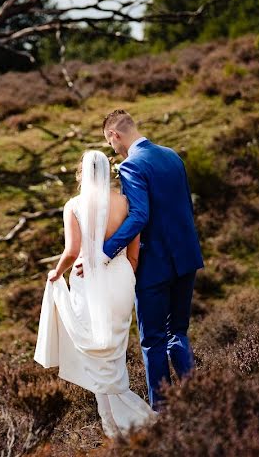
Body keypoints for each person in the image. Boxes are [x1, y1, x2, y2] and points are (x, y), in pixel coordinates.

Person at [34, 150, 155, 437]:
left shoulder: (74, 205)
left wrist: (57, 272)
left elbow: (72, 251)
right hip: (122, 278)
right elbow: (134, 251)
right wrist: (126, 274)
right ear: (109, 172)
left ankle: (117, 425)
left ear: (82, 174)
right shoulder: (125, 203)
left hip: (88, 282)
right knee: (114, 350)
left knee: (96, 353)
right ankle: (115, 423)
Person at [99, 109, 204, 410]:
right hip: (186, 257)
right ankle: (199, 398)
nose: (114, 150)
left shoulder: (131, 166)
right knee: (178, 333)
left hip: (155, 265)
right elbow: (186, 206)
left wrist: (107, 251)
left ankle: (164, 411)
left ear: (114, 135)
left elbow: (140, 216)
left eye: (111, 144)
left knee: (153, 341)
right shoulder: (172, 156)